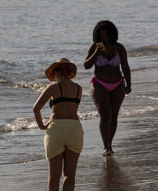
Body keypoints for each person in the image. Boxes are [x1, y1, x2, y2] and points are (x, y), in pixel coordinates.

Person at [33, 58, 84, 191]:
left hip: (56, 129)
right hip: (75, 129)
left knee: (54, 175)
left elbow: (36, 108)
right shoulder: (78, 89)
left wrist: (42, 126)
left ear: (55, 72)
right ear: (69, 71)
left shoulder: (53, 87)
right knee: (69, 174)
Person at [84, 20, 132, 155]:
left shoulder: (119, 48)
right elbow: (86, 65)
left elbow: (125, 67)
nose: (104, 38)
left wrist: (129, 84)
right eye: (101, 36)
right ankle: (106, 146)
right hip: (99, 83)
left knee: (114, 115)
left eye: (106, 35)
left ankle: (110, 144)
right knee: (105, 115)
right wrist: (96, 54)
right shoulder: (94, 47)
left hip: (117, 84)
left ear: (112, 34)